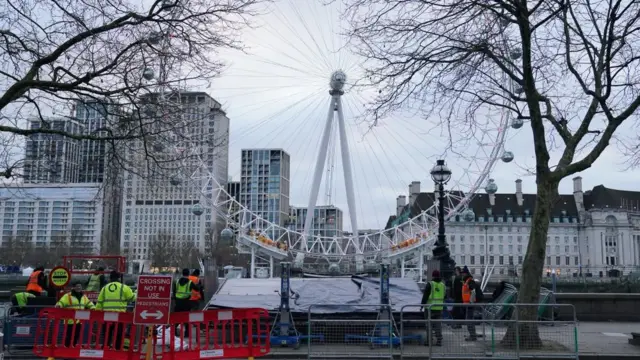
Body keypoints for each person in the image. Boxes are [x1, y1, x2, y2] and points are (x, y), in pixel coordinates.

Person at [96, 271, 136, 350]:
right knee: (119, 335)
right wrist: (136, 292)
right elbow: (132, 298)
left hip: (106, 316)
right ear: (118, 278)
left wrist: (98, 316)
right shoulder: (123, 287)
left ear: (110, 278)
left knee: (107, 335)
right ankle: (117, 351)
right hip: (119, 316)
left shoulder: (104, 288)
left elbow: (99, 302)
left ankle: (105, 350)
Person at [56, 282, 96, 347]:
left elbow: (89, 303)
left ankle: (72, 348)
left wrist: (93, 308)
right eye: (77, 286)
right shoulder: (68, 296)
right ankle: (67, 349)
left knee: (76, 336)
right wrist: (58, 305)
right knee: (69, 336)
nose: (79, 288)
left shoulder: (83, 296)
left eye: (80, 286)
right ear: (73, 287)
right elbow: (61, 302)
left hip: (79, 321)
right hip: (69, 320)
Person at [421, 270, 445, 346]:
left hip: (430, 308)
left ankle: (429, 341)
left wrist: (422, 305)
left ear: (433, 276)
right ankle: (439, 341)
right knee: (438, 325)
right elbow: (445, 296)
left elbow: (425, 296)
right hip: (439, 308)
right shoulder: (442, 285)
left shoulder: (430, 284)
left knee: (429, 325)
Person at [174, 268, 200, 337]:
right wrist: (198, 285)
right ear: (188, 274)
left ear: (182, 273)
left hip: (178, 302)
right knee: (186, 318)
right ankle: (187, 334)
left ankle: (174, 332)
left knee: (176, 318)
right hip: (186, 302)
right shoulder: (189, 282)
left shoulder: (177, 281)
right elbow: (196, 289)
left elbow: (174, 291)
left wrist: (176, 299)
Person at [461, 269, 479, 341]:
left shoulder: (469, 281)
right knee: (470, 320)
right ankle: (472, 334)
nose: (462, 275)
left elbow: (473, 290)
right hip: (468, 303)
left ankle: (472, 336)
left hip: (469, 303)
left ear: (466, 274)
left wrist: (471, 301)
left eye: (463, 273)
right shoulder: (467, 281)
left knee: (469, 320)